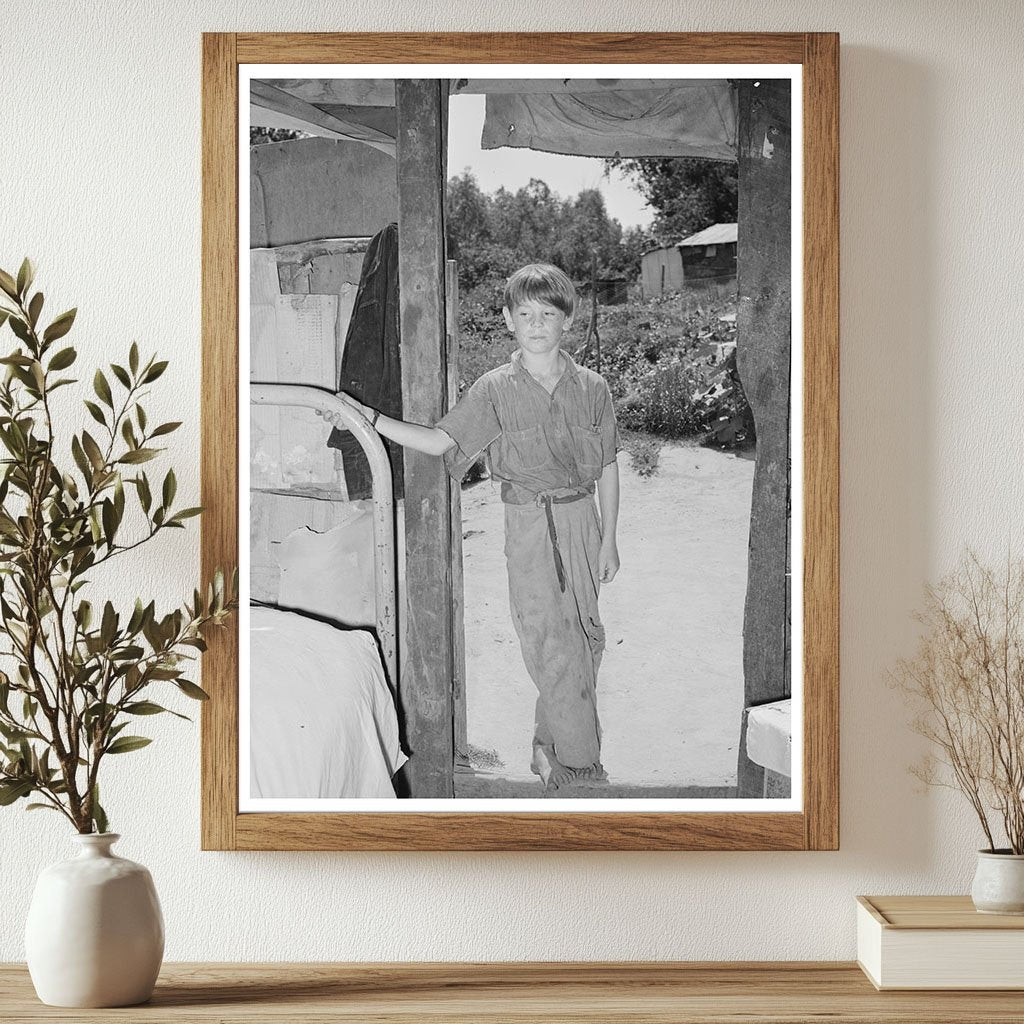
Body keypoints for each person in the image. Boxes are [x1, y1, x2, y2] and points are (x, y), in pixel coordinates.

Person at [329, 263, 620, 790]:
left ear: (566, 322)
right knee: (551, 644)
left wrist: (610, 540)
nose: (536, 324)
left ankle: (546, 744)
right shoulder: (494, 390)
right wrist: (368, 418)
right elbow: (442, 441)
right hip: (530, 522)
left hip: (584, 521)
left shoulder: (593, 388)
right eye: (525, 313)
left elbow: (609, 467)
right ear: (508, 320)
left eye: (548, 314)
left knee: (586, 640)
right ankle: (580, 770)